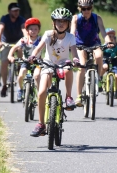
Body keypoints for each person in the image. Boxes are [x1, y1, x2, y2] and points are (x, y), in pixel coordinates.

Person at [29, 8, 80, 137]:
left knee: (69, 68)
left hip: (63, 63)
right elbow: (38, 48)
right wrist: (33, 56)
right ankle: (41, 124)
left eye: (64, 21)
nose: (61, 24)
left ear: (68, 24)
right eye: (58, 21)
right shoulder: (47, 34)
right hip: (48, 64)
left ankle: (68, 97)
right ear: (53, 23)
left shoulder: (70, 37)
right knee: (41, 93)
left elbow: (74, 52)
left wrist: (75, 59)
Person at [70, 0, 111, 106]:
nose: (86, 11)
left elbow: (103, 32)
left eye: (88, 8)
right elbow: (72, 33)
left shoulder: (97, 18)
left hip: (94, 43)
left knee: (98, 56)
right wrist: (70, 43)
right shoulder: (75, 18)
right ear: (80, 9)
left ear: (91, 8)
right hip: (80, 44)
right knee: (82, 66)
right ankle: (79, 96)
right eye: (84, 9)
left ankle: (98, 78)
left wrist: (108, 42)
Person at [0, 2, 27, 97]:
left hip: (18, 42)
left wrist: (26, 39)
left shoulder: (21, 19)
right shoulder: (4, 18)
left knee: (21, 52)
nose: (16, 13)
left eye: (18, 11)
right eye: (14, 11)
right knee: (4, 63)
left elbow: (24, 30)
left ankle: (19, 66)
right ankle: (4, 85)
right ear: (9, 11)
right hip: (6, 43)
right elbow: (0, 29)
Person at [7, 18, 42, 102]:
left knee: (37, 76)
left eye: (35, 29)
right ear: (27, 30)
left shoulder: (41, 40)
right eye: (31, 29)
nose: (33, 31)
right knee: (21, 74)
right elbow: (14, 47)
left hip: (37, 62)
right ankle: (20, 89)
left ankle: (40, 94)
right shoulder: (24, 40)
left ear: (39, 30)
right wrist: (10, 55)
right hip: (26, 62)